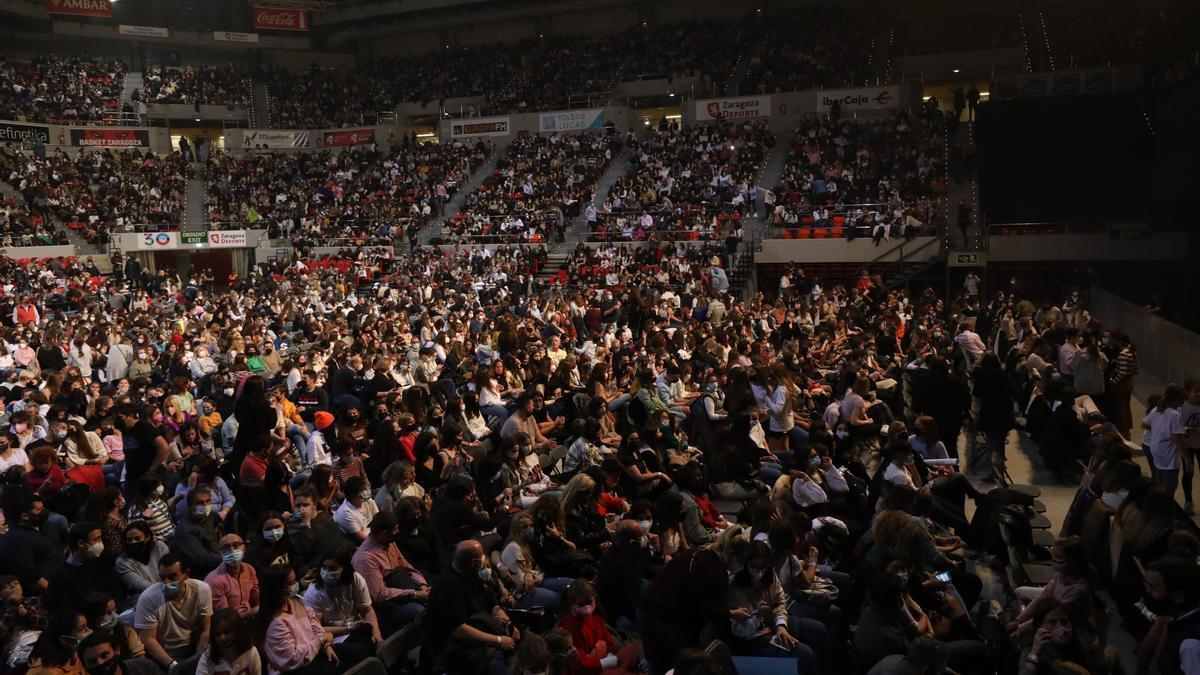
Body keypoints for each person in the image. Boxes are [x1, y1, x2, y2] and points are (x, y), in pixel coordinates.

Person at [423, 540, 520, 675]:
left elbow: (493, 605)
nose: (484, 561)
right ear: (474, 563)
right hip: (456, 648)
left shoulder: (473, 575)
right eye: (481, 558)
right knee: (505, 669)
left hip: (481, 631)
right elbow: (459, 630)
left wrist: (509, 624)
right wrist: (498, 640)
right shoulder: (447, 587)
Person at [258, 565, 369, 675]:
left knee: (359, 652)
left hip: (314, 652)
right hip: (291, 669)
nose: (295, 585)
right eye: (290, 583)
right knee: (336, 668)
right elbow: (292, 659)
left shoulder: (296, 601)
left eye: (294, 581)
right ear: (277, 588)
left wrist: (326, 646)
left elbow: (316, 626)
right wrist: (320, 640)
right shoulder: (275, 622)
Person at [133, 553, 212, 673]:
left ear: (186, 574)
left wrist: (199, 660)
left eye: (172, 577)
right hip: (162, 656)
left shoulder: (202, 589)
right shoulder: (148, 598)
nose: (166, 583)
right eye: (162, 578)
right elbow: (148, 640)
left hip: (192, 650)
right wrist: (173, 666)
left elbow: (205, 630)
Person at [350, 511, 428, 627]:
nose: (398, 532)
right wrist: (415, 594)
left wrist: (422, 584)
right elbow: (380, 595)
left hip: (405, 588)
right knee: (420, 611)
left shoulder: (389, 543)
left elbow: (407, 565)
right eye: (395, 529)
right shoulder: (365, 558)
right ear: (384, 533)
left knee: (437, 595)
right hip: (387, 605)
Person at [204, 534, 260, 618]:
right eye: (226, 547)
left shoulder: (249, 569)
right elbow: (225, 618)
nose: (232, 551)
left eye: (236, 545)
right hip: (230, 626)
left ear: (244, 548)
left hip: (251, 618)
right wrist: (254, 611)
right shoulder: (214, 580)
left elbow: (256, 599)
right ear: (220, 553)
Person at [195, 609, 261, 675]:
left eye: (226, 632)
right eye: (218, 634)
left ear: (237, 631)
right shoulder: (209, 655)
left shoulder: (251, 652)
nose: (222, 638)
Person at [78, 631, 160, 675]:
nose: (100, 663)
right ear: (85, 666)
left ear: (117, 650)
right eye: (92, 662)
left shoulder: (145, 667)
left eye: (104, 655)